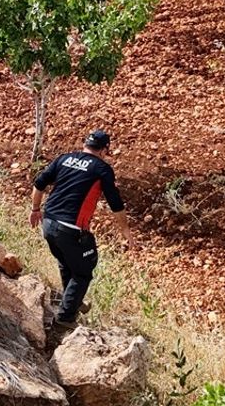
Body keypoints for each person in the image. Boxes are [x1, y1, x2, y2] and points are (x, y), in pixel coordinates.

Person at [29, 130, 135, 328]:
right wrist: (125, 231)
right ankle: (65, 320)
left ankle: (72, 302)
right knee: (85, 268)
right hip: (71, 228)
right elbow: (115, 203)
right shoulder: (101, 168)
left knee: (66, 261)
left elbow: (39, 183)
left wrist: (35, 209)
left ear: (85, 144)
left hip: (49, 223)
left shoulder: (64, 159)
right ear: (104, 150)